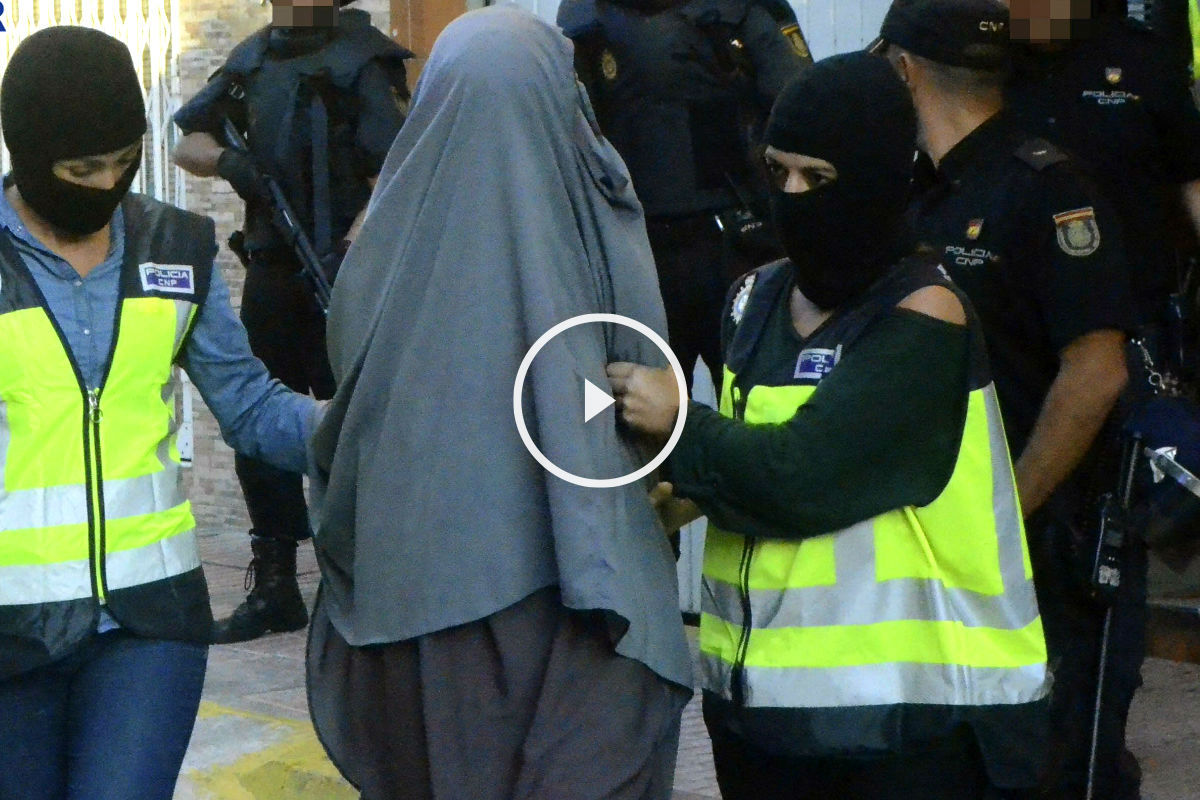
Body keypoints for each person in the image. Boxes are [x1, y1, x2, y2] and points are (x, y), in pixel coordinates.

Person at [608, 51, 1049, 800]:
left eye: (818, 179)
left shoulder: (924, 315)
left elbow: (804, 473)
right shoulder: (756, 298)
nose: (790, 196)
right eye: (777, 171)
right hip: (762, 716)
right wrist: (687, 492)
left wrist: (682, 425)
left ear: (878, 180)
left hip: (906, 727)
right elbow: (753, 455)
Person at [303, 7, 692, 799]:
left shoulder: (382, 248)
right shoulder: (594, 214)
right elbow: (647, 376)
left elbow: (347, 401)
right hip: (580, 602)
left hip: (415, 600)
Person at [0, 27, 319, 800]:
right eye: (81, 170)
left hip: (153, 621)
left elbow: (250, 407)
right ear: (28, 154)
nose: (107, 183)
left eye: (124, 161)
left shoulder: (176, 248)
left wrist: (373, 423)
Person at [172, 0, 411, 643]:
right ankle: (277, 583)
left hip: (344, 270)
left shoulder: (365, 61)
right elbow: (186, 140)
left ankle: (371, 580)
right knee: (258, 431)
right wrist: (230, 164)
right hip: (274, 271)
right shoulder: (252, 59)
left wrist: (354, 248)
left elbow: (397, 168)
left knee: (356, 422)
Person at [557, 0, 810, 393]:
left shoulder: (587, 16)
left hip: (686, 248)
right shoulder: (586, 17)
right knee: (742, 404)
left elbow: (799, 113)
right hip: (688, 247)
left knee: (654, 424)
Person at [1006, 0, 1200, 331]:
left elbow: (1192, 176)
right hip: (1010, 310)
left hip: (1130, 308)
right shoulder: (974, 59)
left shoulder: (1141, 57)